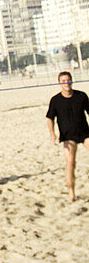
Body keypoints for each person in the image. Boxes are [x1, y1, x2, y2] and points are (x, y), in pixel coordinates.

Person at [46, 71, 89, 202]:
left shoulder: (81, 96)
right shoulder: (56, 100)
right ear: (60, 83)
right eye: (63, 81)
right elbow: (49, 118)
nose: (66, 83)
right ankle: (71, 192)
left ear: (72, 81)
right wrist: (52, 134)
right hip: (67, 135)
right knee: (70, 163)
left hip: (85, 133)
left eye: (68, 80)